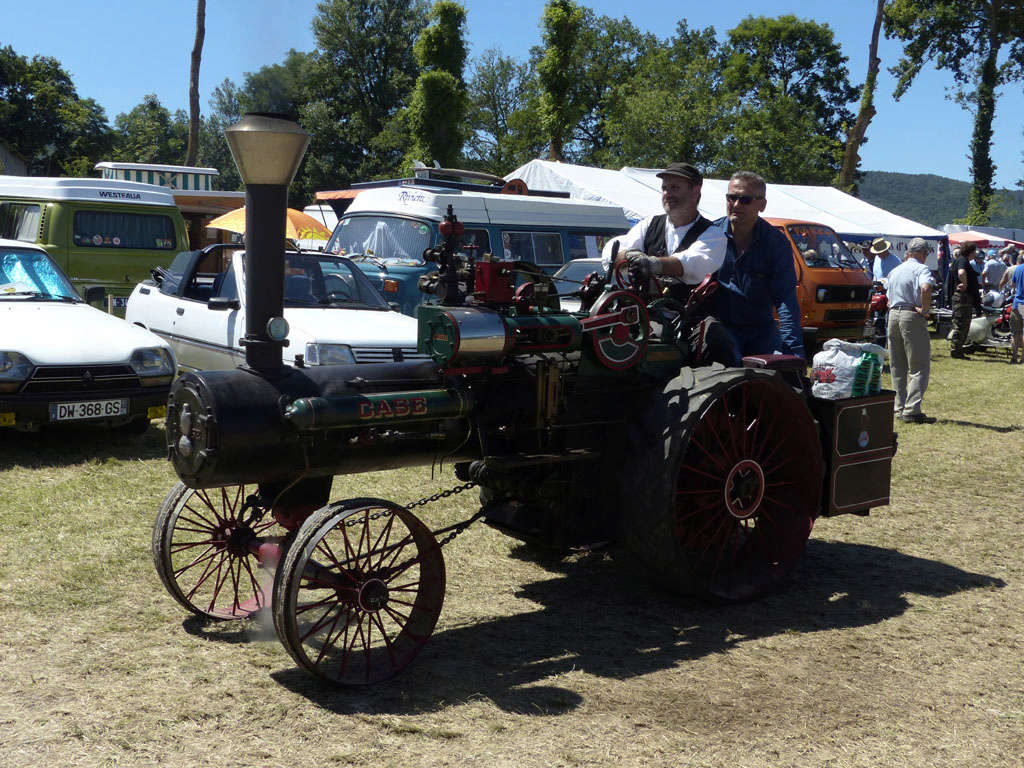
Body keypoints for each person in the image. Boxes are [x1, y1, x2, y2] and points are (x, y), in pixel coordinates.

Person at [713, 170, 805, 361]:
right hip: (719, 329)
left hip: (761, 331)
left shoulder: (777, 243)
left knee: (773, 380)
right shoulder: (709, 237)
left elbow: (785, 299)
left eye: (745, 200)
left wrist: (793, 353)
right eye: (731, 198)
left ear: (762, 205)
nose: (736, 204)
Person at [601, 162, 726, 284]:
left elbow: (692, 264)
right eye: (664, 188)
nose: (667, 194)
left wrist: (652, 264)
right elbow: (612, 253)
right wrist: (627, 255)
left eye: (674, 188)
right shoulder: (649, 224)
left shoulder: (713, 235)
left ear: (695, 192)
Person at [886, 238, 938, 423]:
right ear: (923, 253)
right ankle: (912, 410)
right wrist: (924, 310)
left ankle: (898, 407)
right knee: (919, 365)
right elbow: (925, 287)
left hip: (893, 315)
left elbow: (888, 299)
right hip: (911, 315)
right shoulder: (921, 269)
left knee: (897, 365)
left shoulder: (895, 270)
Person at [947, 241, 982, 359]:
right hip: (963, 298)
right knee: (961, 323)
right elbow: (961, 272)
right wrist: (965, 284)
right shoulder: (962, 260)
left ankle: (958, 349)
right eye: (974, 251)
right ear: (971, 251)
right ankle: (956, 350)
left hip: (962, 297)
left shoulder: (960, 260)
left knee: (963, 323)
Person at [999, 252, 1024, 363]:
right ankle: (1023, 358)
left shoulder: (1018, 269)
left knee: (1015, 333)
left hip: (1017, 303)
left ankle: (1014, 357)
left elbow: (1012, 285)